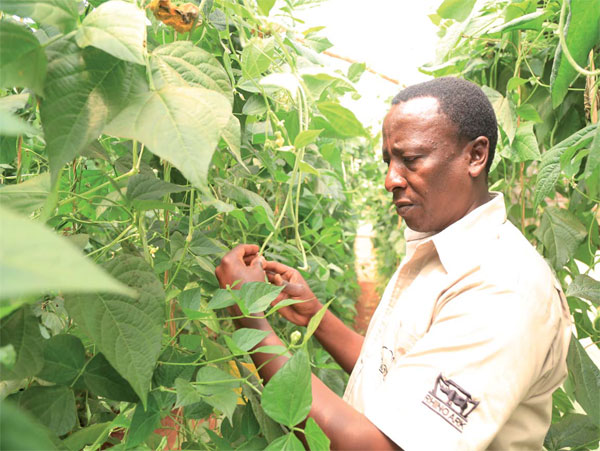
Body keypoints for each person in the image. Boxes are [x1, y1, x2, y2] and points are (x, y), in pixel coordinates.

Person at [215, 77, 572, 450]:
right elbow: (394, 376)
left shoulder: (502, 290)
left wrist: (250, 319)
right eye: (388, 161)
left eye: (411, 160)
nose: (390, 180)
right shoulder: (442, 251)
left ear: (475, 156)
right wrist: (314, 316)